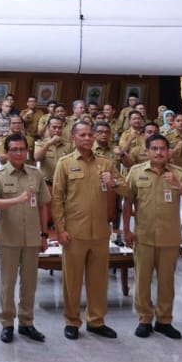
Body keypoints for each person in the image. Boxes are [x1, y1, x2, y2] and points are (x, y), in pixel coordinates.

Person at [120, 133, 182, 339]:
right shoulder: (136, 172)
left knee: (166, 282)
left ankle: (164, 320)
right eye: (155, 149)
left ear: (168, 151)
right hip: (143, 235)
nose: (159, 152)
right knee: (142, 280)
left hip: (169, 237)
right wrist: (127, 229)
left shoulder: (178, 173)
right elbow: (128, 202)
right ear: (147, 151)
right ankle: (144, 319)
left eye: (163, 148)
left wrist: (178, 185)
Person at [51, 122, 120, 340]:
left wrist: (114, 183)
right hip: (74, 233)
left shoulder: (106, 163)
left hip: (100, 232)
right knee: (73, 280)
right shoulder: (65, 163)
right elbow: (56, 199)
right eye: (83, 135)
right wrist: (60, 229)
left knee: (99, 280)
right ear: (73, 138)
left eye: (91, 134)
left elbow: (126, 188)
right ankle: (72, 321)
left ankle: (96, 321)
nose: (88, 138)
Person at [0, 133, 50, 344]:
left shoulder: (36, 174)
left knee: (30, 283)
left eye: (22, 149)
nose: (18, 153)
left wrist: (44, 234)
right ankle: (7, 323)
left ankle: (26, 323)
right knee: (8, 283)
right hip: (8, 238)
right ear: (6, 152)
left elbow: (43, 205)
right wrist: (18, 199)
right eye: (14, 149)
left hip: (32, 236)